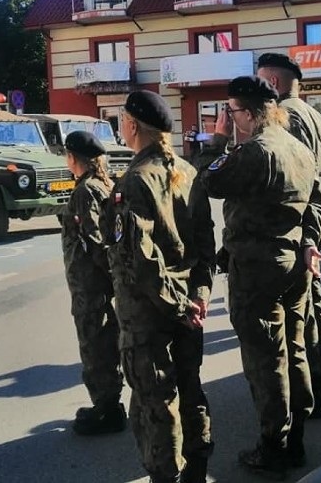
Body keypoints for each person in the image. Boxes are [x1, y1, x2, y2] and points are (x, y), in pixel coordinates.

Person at [200, 75, 317, 479]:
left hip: (257, 266)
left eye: (230, 111)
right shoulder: (298, 148)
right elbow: (316, 204)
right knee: (294, 350)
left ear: (247, 113)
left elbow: (209, 181)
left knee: (265, 359)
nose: (227, 118)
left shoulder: (255, 150)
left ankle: (273, 446)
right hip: (292, 259)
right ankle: (296, 438)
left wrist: (218, 140)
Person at [106, 90, 214, 483]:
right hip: (186, 308)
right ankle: (197, 472)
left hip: (150, 316)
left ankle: (167, 477)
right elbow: (206, 246)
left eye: (122, 118)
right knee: (190, 392)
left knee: (157, 406)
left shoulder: (135, 181)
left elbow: (139, 260)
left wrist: (179, 305)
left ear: (133, 125)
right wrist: (198, 298)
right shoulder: (186, 171)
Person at [257, 52, 321, 418]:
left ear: (272, 82)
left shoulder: (284, 116)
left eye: (261, 80)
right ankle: (319, 382)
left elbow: (287, 175)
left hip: (293, 228)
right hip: (313, 222)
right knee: (312, 306)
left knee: (295, 317)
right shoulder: (316, 115)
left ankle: (308, 392)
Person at [60, 130, 126, 436]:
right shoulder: (103, 184)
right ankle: (110, 403)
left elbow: (96, 241)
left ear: (74, 158)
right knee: (106, 342)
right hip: (99, 283)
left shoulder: (86, 191)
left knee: (95, 344)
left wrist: (109, 280)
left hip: (90, 286)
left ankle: (107, 409)